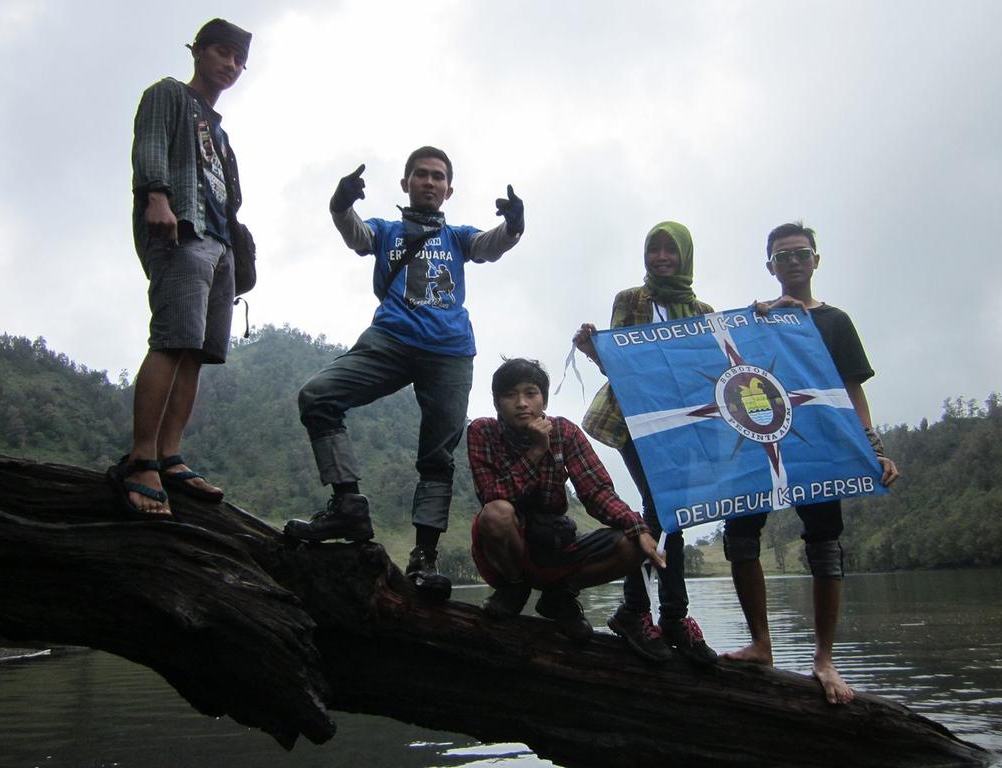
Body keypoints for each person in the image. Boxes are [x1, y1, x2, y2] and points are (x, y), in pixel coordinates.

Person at [286, 148, 524, 602]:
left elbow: (489, 245)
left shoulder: (458, 236)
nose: (429, 182)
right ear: (406, 183)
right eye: (421, 175)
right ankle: (348, 505)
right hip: (390, 342)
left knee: (437, 458)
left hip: (450, 353)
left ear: (449, 189)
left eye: (438, 177)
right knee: (317, 396)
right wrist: (340, 204)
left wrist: (514, 225)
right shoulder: (387, 230)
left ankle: (424, 558)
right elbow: (356, 236)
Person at [722, 221, 900, 704]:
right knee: (739, 535)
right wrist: (758, 320)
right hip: (759, 444)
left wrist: (873, 447)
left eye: (802, 253)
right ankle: (762, 644)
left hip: (819, 448)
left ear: (816, 260)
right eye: (783, 256)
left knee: (824, 543)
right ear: (770, 267)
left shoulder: (836, 321)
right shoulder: (757, 317)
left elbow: (852, 390)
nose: (794, 262)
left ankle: (824, 657)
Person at [108, 19, 252, 517]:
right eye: (222, 53)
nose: (230, 65)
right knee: (171, 340)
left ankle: (170, 456)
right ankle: (141, 460)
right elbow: (149, 144)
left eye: (238, 59)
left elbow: (230, 198)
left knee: (196, 352)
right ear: (198, 51)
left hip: (218, 242)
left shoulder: (221, 132)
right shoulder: (168, 94)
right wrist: (156, 196)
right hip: (181, 228)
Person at [573, 221, 719, 665]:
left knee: (670, 512)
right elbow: (622, 366)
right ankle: (648, 612)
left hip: (681, 425)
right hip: (633, 420)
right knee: (664, 508)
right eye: (653, 249)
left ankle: (657, 614)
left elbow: (706, 373)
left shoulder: (703, 310)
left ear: (684, 257)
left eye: (669, 251)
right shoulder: (630, 300)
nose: (660, 257)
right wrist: (597, 351)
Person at [467, 358, 667, 648]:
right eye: (510, 395)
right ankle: (513, 587)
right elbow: (492, 495)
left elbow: (596, 491)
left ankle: (560, 595)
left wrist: (638, 527)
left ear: (544, 399)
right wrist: (536, 451)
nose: (522, 403)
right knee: (497, 512)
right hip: (508, 545)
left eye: (531, 393)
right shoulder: (482, 431)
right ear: (497, 403)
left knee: (633, 545)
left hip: (555, 541)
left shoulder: (565, 432)